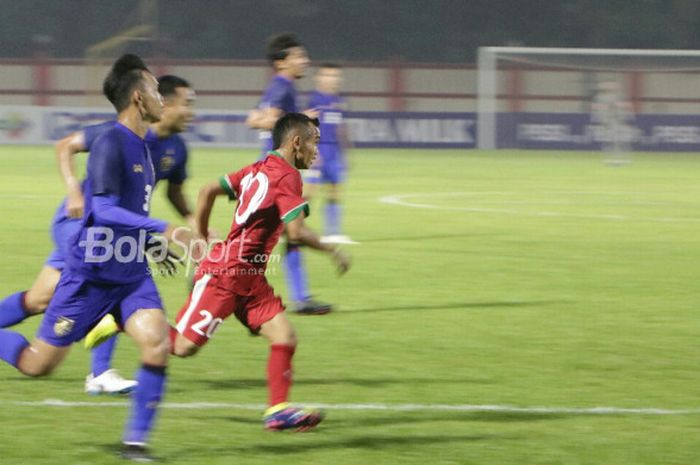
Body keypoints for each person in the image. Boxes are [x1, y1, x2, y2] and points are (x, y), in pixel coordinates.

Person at [0, 54, 190, 462]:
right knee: (36, 364)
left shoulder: (142, 145)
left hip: (130, 272)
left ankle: (134, 445)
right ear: (139, 98)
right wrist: (162, 228)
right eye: (157, 91)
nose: (163, 97)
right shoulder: (110, 141)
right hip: (91, 274)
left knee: (156, 343)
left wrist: (151, 244)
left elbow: (130, 212)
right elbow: (101, 209)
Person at [174, 113, 350, 430]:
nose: (316, 151)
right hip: (226, 275)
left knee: (284, 335)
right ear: (297, 142)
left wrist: (201, 237)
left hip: (250, 277)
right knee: (181, 348)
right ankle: (123, 317)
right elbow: (296, 232)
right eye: (314, 142)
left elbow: (207, 191)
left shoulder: (260, 167)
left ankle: (278, 409)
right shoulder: (288, 177)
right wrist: (331, 249)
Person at [246, 33, 331, 315]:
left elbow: (258, 118)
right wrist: (299, 120)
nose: (304, 60)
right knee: (287, 233)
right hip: (275, 176)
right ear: (282, 62)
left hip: (278, 175)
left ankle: (300, 297)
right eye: (298, 56)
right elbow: (263, 120)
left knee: (287, 234)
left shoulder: (285, 87)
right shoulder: (281, 86)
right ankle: (214, 276)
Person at [304, 63, 356, 244]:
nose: (332, 79)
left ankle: (332, 232)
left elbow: (340, 126)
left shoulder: (339, 100)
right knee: (309, 193)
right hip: (318, 150)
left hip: (334, 152)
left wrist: (346, 152)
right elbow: (307, 126)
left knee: (335, 191)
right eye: (328, 75)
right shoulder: (314, 100)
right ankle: (289, 228)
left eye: (335, 76)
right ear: (318, 78)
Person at [591, 80, 634, 165]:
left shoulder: (619, 96)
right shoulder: (601, 97)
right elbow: (597, 107)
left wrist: (626, 114)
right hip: (608, 121)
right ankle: (610, 159)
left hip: (618, 120)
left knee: (619, 140)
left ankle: (620, 158)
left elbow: (626, 106)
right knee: (610, 140)